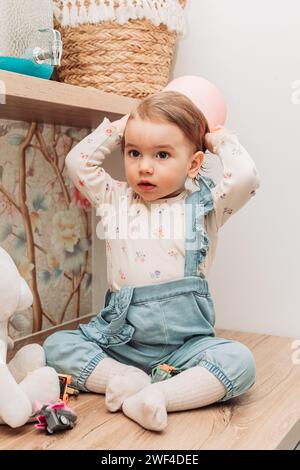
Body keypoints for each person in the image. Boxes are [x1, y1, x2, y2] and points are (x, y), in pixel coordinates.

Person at [44, 91, 260, 431]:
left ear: (193, 163)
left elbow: (245, 176)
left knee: (240, 361)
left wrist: (218, 139)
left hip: (185, 347)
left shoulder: (206, 207)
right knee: (56, 346)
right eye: (134, 152)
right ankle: (126, 379)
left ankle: (160, 396)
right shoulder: (114, 198)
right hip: (119, 343)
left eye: (162, 154)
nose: (144, 166)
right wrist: (123, 126)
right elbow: (78, 161)